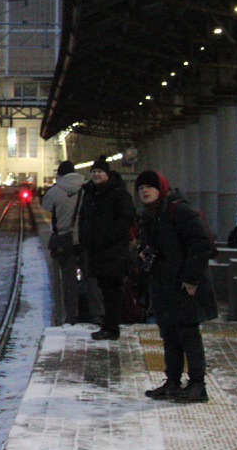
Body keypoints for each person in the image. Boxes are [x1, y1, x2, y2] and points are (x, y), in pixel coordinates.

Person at [136, 170, 217, 403]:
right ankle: (172, 381)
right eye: (141, 187)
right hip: (163, 285)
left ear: (161, 188)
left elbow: (201, 244)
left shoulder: (178, 210)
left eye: (150, 186)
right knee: (170, 335)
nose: (145, 190)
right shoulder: (150, 215)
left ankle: (197, 385)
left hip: (184, 285)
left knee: (188, 334)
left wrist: (191, 279)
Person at [79, 155, 136, 340]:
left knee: (113, 290)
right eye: (94, 171)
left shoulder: (118, 193)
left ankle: (112, 328)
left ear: (107, 174)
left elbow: (126, 218)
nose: (96, 175)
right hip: (97, 251)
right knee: (104, 288)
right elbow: (84, 218)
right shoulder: (90, 193)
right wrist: (85, 240)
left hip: (113, 252)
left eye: (100, 172)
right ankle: (108, 325)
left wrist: (109, 237)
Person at [41, 160, 86, 326]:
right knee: (91, 277)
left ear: (60, 174)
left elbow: (46, 207)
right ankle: (96, 314)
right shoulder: (87, 187)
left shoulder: (56, 189)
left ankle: (69, 316)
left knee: (66, 280)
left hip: (64, 240)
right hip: (85, 239)